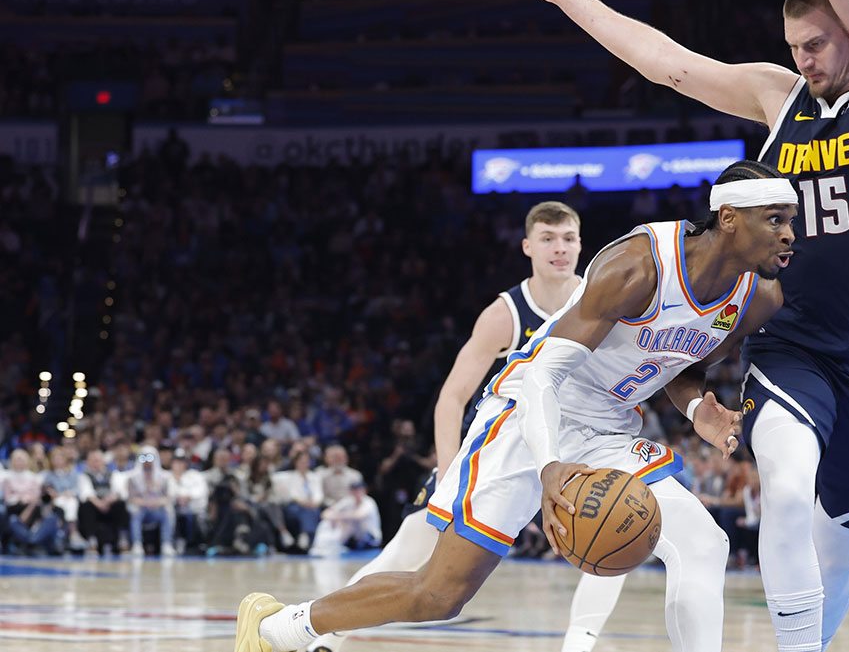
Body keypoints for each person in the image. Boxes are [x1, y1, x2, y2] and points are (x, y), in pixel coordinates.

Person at [524, 0, 849, 648]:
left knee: (838, 552)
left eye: (816, 44)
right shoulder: (780, 97)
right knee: (783, 483)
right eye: (794, 48)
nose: (804, 60)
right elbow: (667, 63)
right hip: (792, 346)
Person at [234, 160, 798, 652]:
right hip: (530, 412)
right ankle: (282, 628)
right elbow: (540, 378)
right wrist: (550, 467)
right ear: (729, 218)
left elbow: (686, 362)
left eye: (789, 221)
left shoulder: (758, 296)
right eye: (776, 220)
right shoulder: (640, 264)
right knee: (438, 593)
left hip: (606, 427)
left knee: (704, 543)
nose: (789, 235)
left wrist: (699, 406)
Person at [302, 201, 621, 652]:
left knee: (614, 531)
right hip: (498, 451)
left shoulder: (599, 297)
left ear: (581, 245)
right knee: (408, 550)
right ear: (528, 246)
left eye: (568, 238)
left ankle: (579, 643)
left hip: (566, 450)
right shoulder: (505, 314)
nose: (559, 248)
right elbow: (451, 399)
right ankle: (318, 637)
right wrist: (449, 471)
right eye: (548, 239)